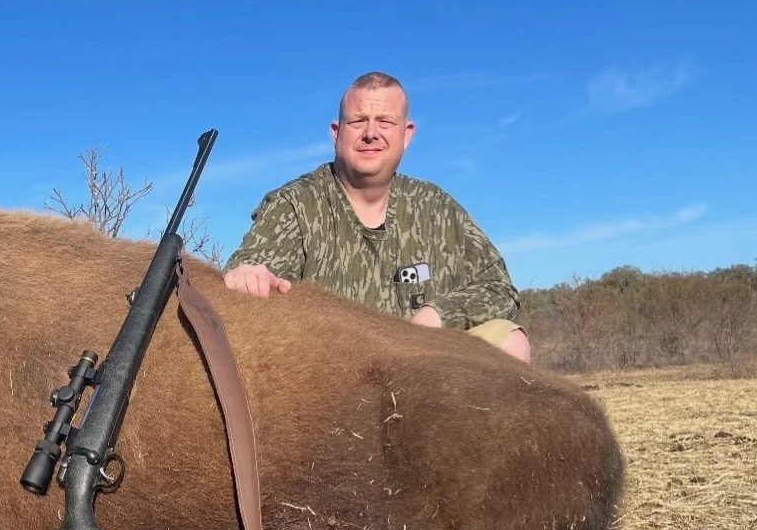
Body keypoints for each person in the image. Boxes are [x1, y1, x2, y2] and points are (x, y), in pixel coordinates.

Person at [223, 71, 531, 362]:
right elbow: (253, 268)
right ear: (336, 132)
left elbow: (499, 289)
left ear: (406, 134)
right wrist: (248, 276)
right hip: (333, 373)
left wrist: (438, 314)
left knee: (510, 341)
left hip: (423, 367)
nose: (371, 133)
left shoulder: (437, 207)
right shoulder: (295, 203)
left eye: (385, 121)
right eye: (358, 121)